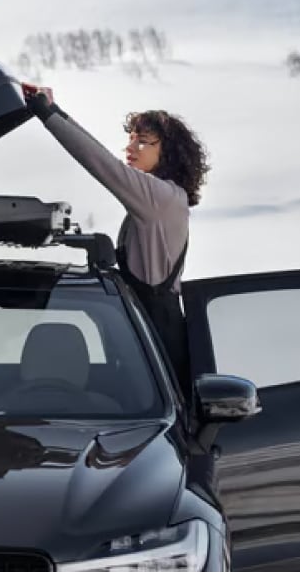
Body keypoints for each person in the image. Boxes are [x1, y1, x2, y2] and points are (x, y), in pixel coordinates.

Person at [21, 83, 209, 400]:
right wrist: (56, 111)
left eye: (144, 142)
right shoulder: (163, 197)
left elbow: (103, 165)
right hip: (152, 337)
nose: (131, 148)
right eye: (131, 139)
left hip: (159, 341)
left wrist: (48, 115)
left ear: (169, 153)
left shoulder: (159, 197)